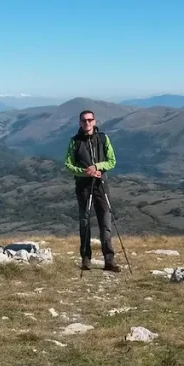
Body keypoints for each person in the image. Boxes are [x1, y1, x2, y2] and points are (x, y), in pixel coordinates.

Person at [64, 109, 121, 272]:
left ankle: (109, 261)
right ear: (80, 123)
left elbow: (112, 161)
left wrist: (97, 167)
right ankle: (85, 260)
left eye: (90, 120)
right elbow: (68, 165)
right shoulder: (74, 141)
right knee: (85, 222)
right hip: (83, 185)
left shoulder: (103, 138)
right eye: (84, 120)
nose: (87, 123)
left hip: (101, 184)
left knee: (106, 222)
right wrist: (85, 172)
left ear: (94, 121)